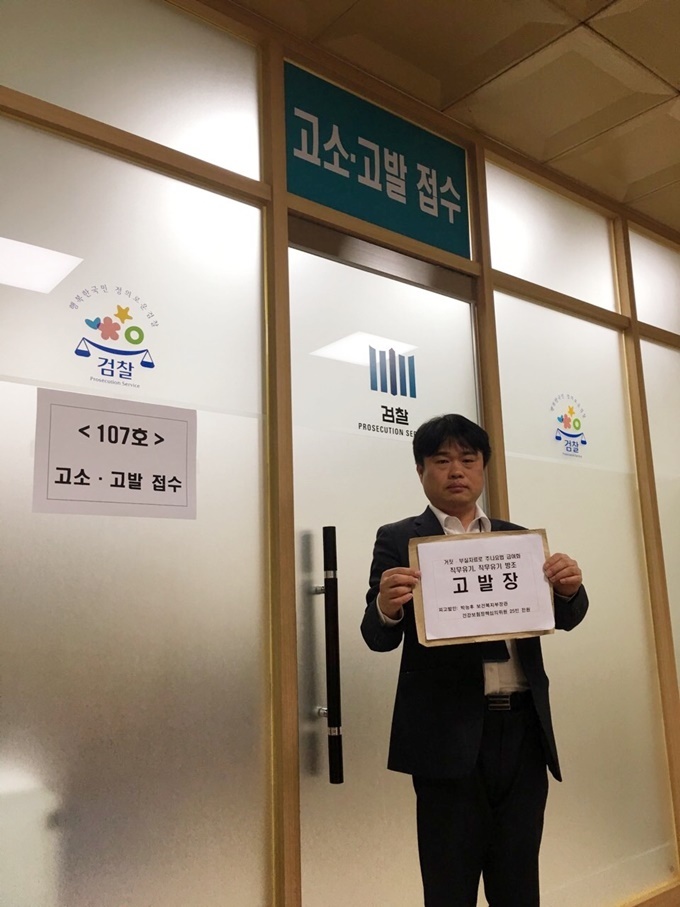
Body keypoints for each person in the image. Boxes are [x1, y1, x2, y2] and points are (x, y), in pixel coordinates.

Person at [361, 414, 588, 907]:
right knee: (449, 886)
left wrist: (570, 589)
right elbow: (376, 637)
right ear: (421, 470)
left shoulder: (518, 539)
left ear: (483, 468)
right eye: (442, 460)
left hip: (523, 731)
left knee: (519, 883)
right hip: (445, 738)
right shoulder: (399, 539)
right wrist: (385, 606)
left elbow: (567, 617)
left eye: (468, 459)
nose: (456, 470)